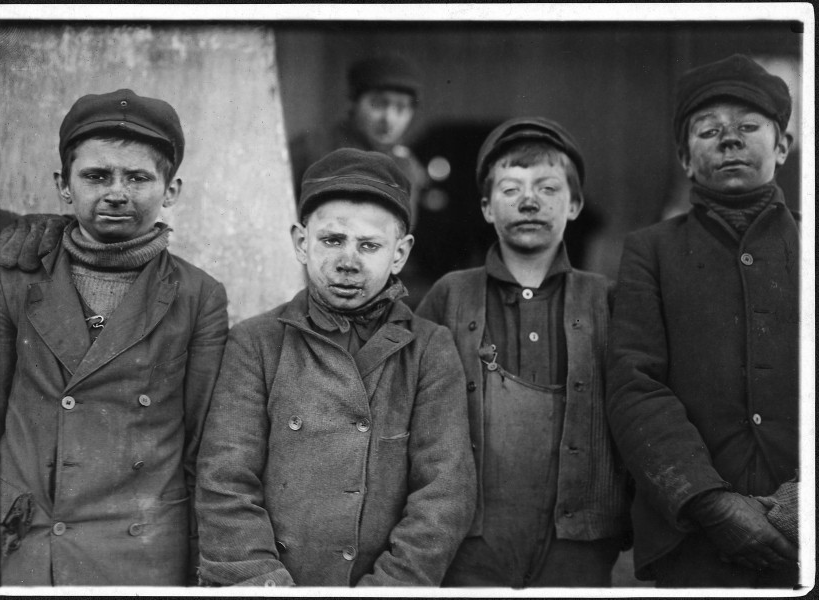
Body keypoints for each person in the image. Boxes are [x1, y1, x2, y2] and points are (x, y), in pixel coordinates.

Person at [195, 148, 476, 587]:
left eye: (369, 245)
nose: (348, 260)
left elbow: (443, 495)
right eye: (331, 240)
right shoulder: (257, 342)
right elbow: (225, 481)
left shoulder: (428, 350)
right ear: (300, 242)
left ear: (400, 254)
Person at [0, 89, 229, 586]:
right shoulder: (15, 275)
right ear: (64, 186)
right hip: (30, 546)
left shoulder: (198, 295)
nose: (117, 192)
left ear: (171, 190)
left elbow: (199, 443)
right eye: (96, 175)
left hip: (140, 550)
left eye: (139, 177)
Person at [607, 54, 800, 587]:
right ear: (686, 159)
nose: (729, 140)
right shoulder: (650, 252)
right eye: (709, 130)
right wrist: (711, 505)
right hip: (692, 540)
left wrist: (799, 506)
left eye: (748, 127)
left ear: (783, 146)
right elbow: (635, 387)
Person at [416, 117, 631, 587]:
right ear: (487, 208)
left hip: (579, 545)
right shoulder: (449, 296)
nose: (529, 201)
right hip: (467, 543)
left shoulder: (608, 301)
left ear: (574, 205)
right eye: (510, 189)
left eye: (548, 188)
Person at [289, 55, 429, 231]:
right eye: (378, 104)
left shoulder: (406, 165)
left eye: (401, 108)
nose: (389, 119)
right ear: (354, 102)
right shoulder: (311, 147)